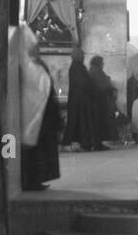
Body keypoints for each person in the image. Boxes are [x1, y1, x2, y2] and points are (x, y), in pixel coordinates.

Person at [19, 26, 61, 191]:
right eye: (34, 46)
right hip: (18, 117)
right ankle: (14, 177)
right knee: (11, 148)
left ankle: (33, 179)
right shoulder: (19, 63)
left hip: (38, 116)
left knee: (37, 151)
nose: (37, 49)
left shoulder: (36, 64)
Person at [62, 46, 101, 151]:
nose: (84, 57)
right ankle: (82, 143)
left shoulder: (77, 67)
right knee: (81, 123)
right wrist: (92, 89)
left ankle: (84, 143)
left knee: (81, 123)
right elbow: (83, 83)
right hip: (79, 101)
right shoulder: (76, 68)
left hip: (80, 100)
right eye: (82, 55)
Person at [88, 54, 117, 147]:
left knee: (97, 123)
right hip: (99, 101)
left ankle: (97, 142)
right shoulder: (97, 72)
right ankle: (98, 143)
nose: (103, 64)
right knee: (99, 123)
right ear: (99, 63)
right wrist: (111, 90)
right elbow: (103, 85)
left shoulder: (92, 71)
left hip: (96, 101)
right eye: (102, 62)